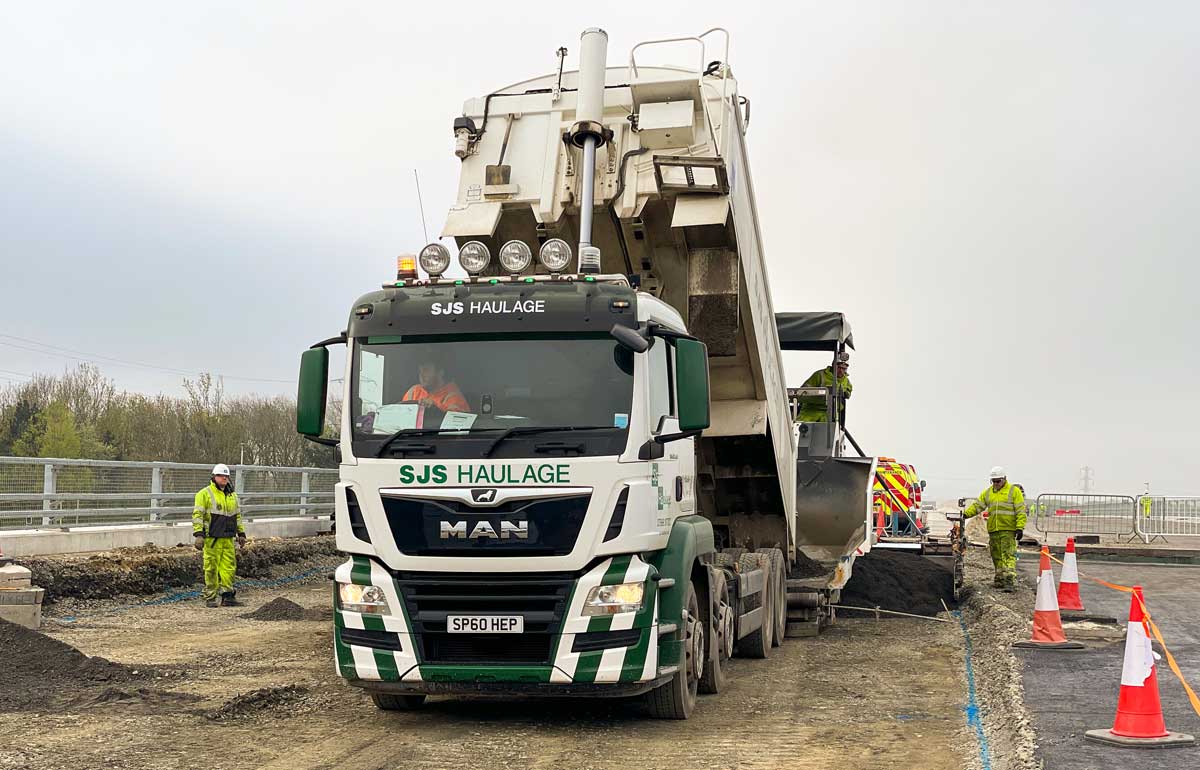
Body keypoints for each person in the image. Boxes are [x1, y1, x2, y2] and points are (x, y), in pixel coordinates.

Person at [962, 466, 1026, 592]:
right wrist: (965, 515)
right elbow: (978, 506)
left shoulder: (1014, 492)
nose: (996, 484)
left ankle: (1009, 581)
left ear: (1004, 479)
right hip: (994, 530)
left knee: (1008, 555)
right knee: (996, 556)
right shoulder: (988, 493)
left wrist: (1019, 527)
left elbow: (1020, 511)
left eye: (998, 481)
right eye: (994, 481)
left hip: (1008, 529)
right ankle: (1000, 579)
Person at [193, 464, 246, 607]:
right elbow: (198, 515)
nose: (224, 478)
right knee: (211, 568)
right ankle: (210, 598)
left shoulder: (232, 496)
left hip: (228, 538)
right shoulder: (204, 494)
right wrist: (199, 534)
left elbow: (237, 516)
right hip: (212, 539)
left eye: (226, 476)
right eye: (221, 476)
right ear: (214, 477)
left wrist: (241, 533)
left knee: (228, 568)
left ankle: (227, 596)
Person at [796, 351, 852, 423]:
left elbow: (848, 392)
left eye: (844, 368)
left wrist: (845, 393)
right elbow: (803, 391)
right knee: (800, 429)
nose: (841, 371)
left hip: (830, 414)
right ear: (833, 365)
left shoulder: (846, 381)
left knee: (828, 431)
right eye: (839, 368)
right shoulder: (820, 375)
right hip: (810, 411)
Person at [402, 360, 469, 413]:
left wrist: (436, 410)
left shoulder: (454, 396)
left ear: (440, 372)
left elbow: (457, 424)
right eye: (420, 371)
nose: (421, 375)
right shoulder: (414, 391)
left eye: (426, 370)